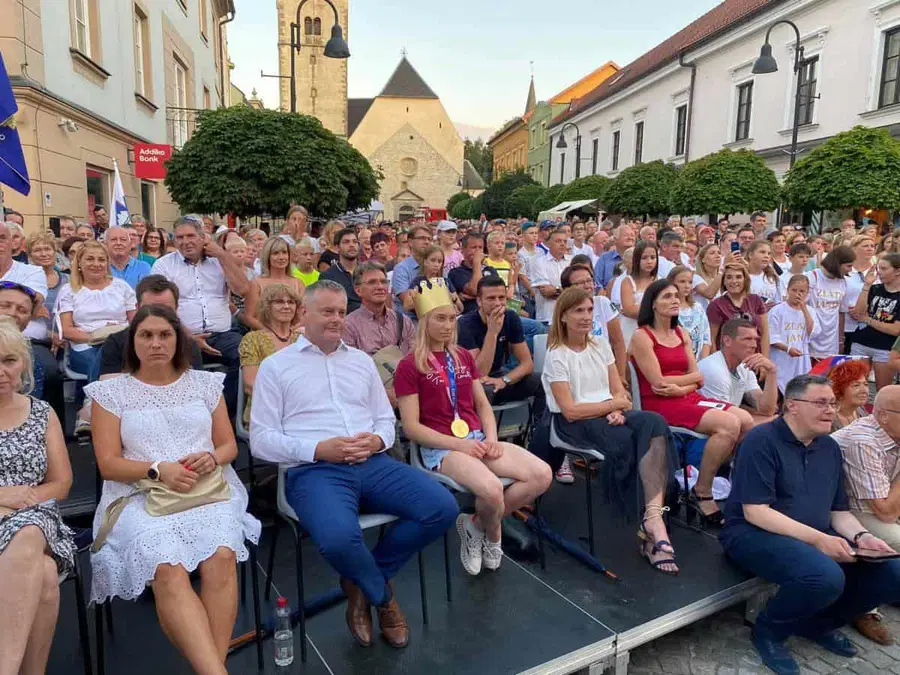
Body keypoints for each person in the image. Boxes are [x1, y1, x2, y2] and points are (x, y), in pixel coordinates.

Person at [250, 280, 458, 649]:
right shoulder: (275, 367)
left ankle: (360, 583)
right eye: (327, 311)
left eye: (341, 312)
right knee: (339, 539)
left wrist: (377, 440)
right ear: (304, 314)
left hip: (373, 462)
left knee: (442, 507)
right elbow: (261, 440)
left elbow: (384, 422)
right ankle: (383, 597)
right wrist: (318, 449)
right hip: (314, 470)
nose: (336, 319)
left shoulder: (361, 362)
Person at [86, 305, 260, 673]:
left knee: (222, 555)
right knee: (167, 566)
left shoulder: (203, 383)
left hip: (206, 490)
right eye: (146, 335)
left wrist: (211, 459)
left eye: (164, 335)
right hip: (139, 496)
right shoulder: (110, 393)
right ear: (133, 342)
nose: (155, 343)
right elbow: (108, 464)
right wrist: (156, 470)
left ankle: (211, 668)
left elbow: (228, 446)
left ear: (177, 339)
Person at [720, 375, 900, 675]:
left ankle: (818, 624)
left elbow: (837, 511)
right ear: (792, 405)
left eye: (832, 402)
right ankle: (768, 631)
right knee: (824, 576)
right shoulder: (761, 440)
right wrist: (819, 540)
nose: (830, 410)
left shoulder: (828, 447)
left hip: (812, 532)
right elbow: (756, 513)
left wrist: (863, 536)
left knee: (893, 572)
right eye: (820, 403)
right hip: (753, 534)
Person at [395, 278, 551, 577]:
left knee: (541, 475)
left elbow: (482, 406)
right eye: (440, 318)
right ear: (425, 321)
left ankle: (476, 524)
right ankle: (495, 538)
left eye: (452, 318)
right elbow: (412, 428)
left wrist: (491, 438)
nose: (448, 325)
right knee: (492, 489)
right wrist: (460, 445)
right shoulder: (409, 365)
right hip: (442, 447)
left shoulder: (463, 356)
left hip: (477, 438)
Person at [540, 288, 678, 573]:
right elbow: (570, 410)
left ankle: (652, 518)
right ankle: (652, 529)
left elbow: (620, 392)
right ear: (563, 316)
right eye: (578, 311)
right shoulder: (557, 356)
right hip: (575, 423)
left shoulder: (600, 344)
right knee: (631, 442)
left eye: (590, 310)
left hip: (608, 412)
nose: (586, 317)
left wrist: (617, 408)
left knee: (655, 424)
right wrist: (610, 407)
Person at [630, 279, 753, 526]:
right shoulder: (641, 337)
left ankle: (717, 478)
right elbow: (658, 383)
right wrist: (685, 384)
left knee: (746, 420)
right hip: (659, 404)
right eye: (666, 296)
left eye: (676, 295)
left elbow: (698, 376)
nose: (675, 299)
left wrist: (682, 386)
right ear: (652, 304)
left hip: (686, 396)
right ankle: (703, 492)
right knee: (728, 425)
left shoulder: (681, 333)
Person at [0, 321, 75, 675]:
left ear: (23, 365)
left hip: (35, 517)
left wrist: (22, 500)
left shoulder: (42, 413)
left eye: (9, 360)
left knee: (29, 530)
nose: (2, 371)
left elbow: (61, 483)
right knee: (45, 573)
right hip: (11, 515)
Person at [152, 216, 251, 418]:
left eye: (191, 236)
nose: (186, 241)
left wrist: (223, 256)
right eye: (180, 237)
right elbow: (160, 308)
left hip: (223, 334)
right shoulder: (163, 266)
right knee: (188, 365)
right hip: (182, 335)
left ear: (202, 238)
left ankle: (225, 412)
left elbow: (243, 289)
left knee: (247, 355)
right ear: (174, 240)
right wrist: (188, 336)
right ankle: (196, 417)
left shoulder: (220, 261)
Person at [830, 384, 900, 645]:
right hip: (848, 512)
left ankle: (890, 590)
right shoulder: (864, 441)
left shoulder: (893, 432)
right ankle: (863, 606)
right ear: (882, 415)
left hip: (879, 504)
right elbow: (884, 512)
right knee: (897, 540)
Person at [457, 275, 546, 420]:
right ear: (479, 301)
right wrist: (492, 332)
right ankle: (484, 436)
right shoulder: (465, 325)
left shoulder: (510, 317)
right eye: (491, 298)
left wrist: (505, 380)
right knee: (483, 391)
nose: (498, 303)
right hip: (475, 382)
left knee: (541, 380)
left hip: (500, 376)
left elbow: (527, 364)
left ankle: (536, 431)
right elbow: (478, 372)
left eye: (501, 298)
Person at [58, 241, 137, 381]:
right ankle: (95, 401)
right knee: (101, 364)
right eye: (90, 259)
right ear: (79, 263)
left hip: (121, 342)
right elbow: (67, 330)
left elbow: (136, 323)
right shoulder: (68, 290)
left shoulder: (121, 287)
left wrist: (113, 341)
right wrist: (99, 337)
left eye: (101, 259)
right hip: (85, 344)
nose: (96, 264)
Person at [97, 275, 204, 378]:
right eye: (150, 309)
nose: (158, 316)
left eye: (166, 310)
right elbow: (108, 390)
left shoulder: (188, 344)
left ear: (176, 309)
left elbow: (198, 389)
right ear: (137, 308)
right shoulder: (115, 343)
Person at [343, 262, 415, 407]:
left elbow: (413, 360)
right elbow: (349, 371)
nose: (380, 287)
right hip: (366, 401)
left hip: (406, 397)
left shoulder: (404, 321)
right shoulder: (348, 325)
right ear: (358, 290)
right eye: (372, 282)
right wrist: (382, 393)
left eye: (383, 282)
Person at [239, 283, 302, 427]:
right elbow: (250, 384)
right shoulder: (252, 339)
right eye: (279, 302)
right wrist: (288, 402)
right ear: (267, 307)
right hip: (266, 415)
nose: (286, 306)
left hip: (301, 413)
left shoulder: (303, 339)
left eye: (291, 302)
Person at [698, 318, 779, 424]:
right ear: (727, 341)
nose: (754, 345)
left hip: (729, 425)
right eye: (747, 339)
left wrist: (772, 373)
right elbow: (724, 421)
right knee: (775, 426)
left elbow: (767, 410)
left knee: (775, 423)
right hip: (704, 432)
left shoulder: (744, 367)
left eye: (755, 339)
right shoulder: (714, 370)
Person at [560, 263, 627, 381]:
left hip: (606, 369)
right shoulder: (562, 312)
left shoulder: (603, 303)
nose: (587, 286)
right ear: (566, 289)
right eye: (580, 283)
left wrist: (621, 377)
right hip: (576, 373)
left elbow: (618, 343)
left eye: (589, 281)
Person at [852, 252, 900, 391]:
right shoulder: (875, 288)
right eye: (878, 268)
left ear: (897, 271)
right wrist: (866, 285)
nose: (879, 272)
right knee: (854, 386)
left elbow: (895, 329)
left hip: (885, 347)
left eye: (884, 269)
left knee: (883, 389)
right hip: (861, 341)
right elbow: (858, 312)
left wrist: (868, 319)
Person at [768, 275, 818, 393]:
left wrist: (804, 309)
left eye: (802, 291)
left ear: (807, 293)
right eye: (794, 290)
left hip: (801, 361)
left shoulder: (810, 311)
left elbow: (812, 332)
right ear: (788, 290)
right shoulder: (777, 311)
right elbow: (772, 337)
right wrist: (787, 349)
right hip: (782, 358)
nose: (797, 294)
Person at [707, 263, 770, 357]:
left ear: (745, 279)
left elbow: (765, 333)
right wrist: (719, 364)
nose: (734, 281)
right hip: (729, 361)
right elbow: (712, 339)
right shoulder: (716, 305)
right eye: (729, 277)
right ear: (723, 281)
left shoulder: (756, 300)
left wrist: (764, 360)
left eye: (738, 277)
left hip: (754, 360)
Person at [243, 237, 304, 332]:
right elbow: (249, 317)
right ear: (267, 256)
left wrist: (290, 332)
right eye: (276, 253)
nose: (281, 257)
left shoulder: (298, 283)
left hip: (293, 335)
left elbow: (303, 315)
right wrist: (272, 333)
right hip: (265, 336)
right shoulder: (256, 284)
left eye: (284, 252)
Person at [805, 246, 855, 362]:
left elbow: (841, 313)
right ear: (837, 263)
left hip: (831, 341)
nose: (850, 270)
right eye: (848, 266)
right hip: (811, 340)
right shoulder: (811, 277)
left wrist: (841, 340)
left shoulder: (843, 282)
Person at [620, 240, 659, 347]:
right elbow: (629, 309)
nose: (649, 261)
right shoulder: (628, 282)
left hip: (653, 330)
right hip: (631, 329)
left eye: (653, 257)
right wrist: (655, 309)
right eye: (644, 258)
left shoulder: (659, 281)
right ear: (637, 259)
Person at [448, 233, 499, 315]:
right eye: (474, 247)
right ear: (463, 250)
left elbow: (497, 292)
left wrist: (476, 296)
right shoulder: (456, 272)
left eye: (480, 247)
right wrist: (477, 263)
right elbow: (474, 290)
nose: (478, 251)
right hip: (471, 317)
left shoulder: (490, 270)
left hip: (494, 314)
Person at [530, 229, 573, 325]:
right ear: (549, 244)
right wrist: (568, 290)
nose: (562, 244)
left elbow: (577, 289)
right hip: (547, 317)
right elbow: (546, 292)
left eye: (565, 241)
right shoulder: (538, 262)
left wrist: (556, 289)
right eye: (558, 241)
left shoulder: (572, 261)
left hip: (570, 317)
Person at [844, 235, 878, 355]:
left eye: (872, 246)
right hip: (846, 325)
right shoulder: (845, 271)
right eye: (865, 246)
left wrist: (865, 311)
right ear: (854, 249)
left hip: (869, 327)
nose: (870, 249)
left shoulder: (878, 271)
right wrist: (849, 309)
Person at [670, 266, 711, 361]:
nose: (687, 286)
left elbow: (706, 338)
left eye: (690, 282)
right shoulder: (669, 308)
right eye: (682, 282)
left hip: (698, 362)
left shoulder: (698, 308)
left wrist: (702, 362)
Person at [320, 228, 363, 314]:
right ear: (337, 247)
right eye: (346, 242)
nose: (351, 245)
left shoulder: (368, 271)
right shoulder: (328, 276)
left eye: (354, 241)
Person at [390, 224, 432, 314]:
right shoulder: (401, 269)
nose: (427, 242)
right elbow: (409, 302)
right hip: (410, 321)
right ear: (410, 242)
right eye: (422, 238)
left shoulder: (435, 265)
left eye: (429, 239)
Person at [828, 359, 871, 432]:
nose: (864, 390)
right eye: (856, 385)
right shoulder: (828, 417)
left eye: (866, 384)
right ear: (839, 388)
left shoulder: (861, 410)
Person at [595, 224, 636, 290]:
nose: (630, 238)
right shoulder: (604, 258)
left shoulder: (640, 257)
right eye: (626, 235)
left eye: (632, 235)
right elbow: (597, 283)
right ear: (615, 239)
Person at [746, 240, 783, 308]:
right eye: (762, 252)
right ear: (750, 255)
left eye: (769, 253)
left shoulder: (773, 278)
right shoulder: (742, 277)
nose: (766, 256)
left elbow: (779, 302)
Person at [692, 243, 723, 312]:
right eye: (712, 253)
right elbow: (709, 294)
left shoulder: (723, 277)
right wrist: (724, 270)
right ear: (703, 259)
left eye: (719, 253)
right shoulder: (695, 277)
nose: (717, 256)